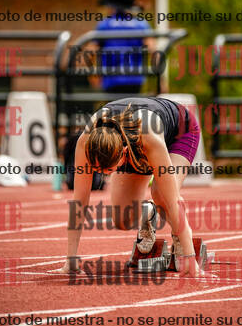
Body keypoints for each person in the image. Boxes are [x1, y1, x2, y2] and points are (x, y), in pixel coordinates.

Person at [61, 96, 207, 277]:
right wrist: (71, 260)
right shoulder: (85, 142)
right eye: (97, 169)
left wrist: (190, 258)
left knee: (162, 194)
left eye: (107, 171)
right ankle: (149, 212)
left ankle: (179, 239)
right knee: (123, 220)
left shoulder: (149, 139)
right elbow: (79, 202)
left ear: (123, 155)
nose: (103, 175)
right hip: (131, 139)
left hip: (180, 131)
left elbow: (174, 200)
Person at [94, 0, 152, 94]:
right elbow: (152, 48)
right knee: (132, 103)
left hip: (111, 79)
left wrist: (94, 74)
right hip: (135, 78)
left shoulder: (105, 24)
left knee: (113, 104)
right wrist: (160, 79)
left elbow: (94, 49)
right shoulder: (140, 24)